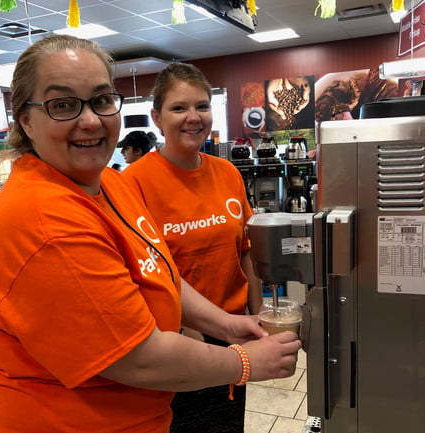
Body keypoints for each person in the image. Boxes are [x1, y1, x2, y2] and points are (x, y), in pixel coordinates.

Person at [0, 35, 301, 433]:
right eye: (63, 105)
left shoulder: (108, 183)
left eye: (102, 99)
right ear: (25, 119)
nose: (90, 120)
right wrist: (244, 362)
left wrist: (226, 325)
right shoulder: (44, 221)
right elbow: (138, 357)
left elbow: (160, 273)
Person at [122, 62, 263, 433]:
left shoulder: (227, 173)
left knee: (228, 422)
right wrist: (184, 325)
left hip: (235, 328)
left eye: (202, 106)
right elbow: (137, 268)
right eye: (179, 107)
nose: (193, 117)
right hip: (175, 338)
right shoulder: (132, 183)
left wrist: (260, 313)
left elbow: (246, 251)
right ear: (157, 117)